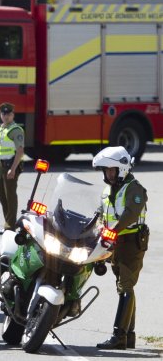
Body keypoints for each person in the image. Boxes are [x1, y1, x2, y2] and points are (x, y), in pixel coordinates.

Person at [93, 146, 148, 350]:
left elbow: (131, 214)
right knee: (123, 287)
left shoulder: (134, 188)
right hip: (114, 244)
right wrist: (95, 228)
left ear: (121, 169)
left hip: (132, 243)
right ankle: (129, 335)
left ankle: (119, 336)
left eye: (111, 170)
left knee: (125, 286)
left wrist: (113, 231)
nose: (108, 174)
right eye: (106, 170)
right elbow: (100, 214)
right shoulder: (108, 189)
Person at [0, 102, 24, 230]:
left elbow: (20, 151)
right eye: (3, 114)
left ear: (13, 115)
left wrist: (13, 168)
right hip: (0, 166)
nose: (6, 116)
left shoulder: (15, 130)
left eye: (8, 114)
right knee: (2, 195)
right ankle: (8, 221)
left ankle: (10, 226)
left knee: (10, 196)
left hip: (10, 165)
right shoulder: (0, 130)